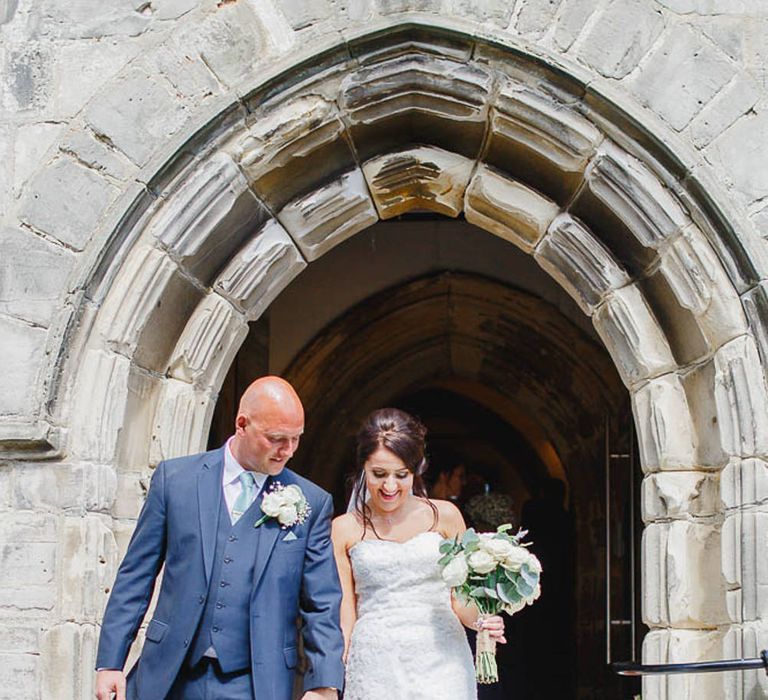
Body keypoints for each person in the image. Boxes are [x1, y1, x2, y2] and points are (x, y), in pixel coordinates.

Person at [95, 376, 345, 700]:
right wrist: (110, 663)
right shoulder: (175, 480)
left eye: (296, 439)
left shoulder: (310, 502)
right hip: (171, 674)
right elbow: (136, 575)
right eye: (276, 439)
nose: (289, 451)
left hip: (255, 681)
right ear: (242, 424)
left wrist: (323, 684)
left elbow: (321, 602)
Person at [331, 408, 506, 699]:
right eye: (379, 474)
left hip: (442, 661)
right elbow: (345, 614)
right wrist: (335, 674)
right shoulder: (344, 529)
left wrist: (482, 619)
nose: (389, 486)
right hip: (375, 663)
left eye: (401, 475)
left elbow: (460, 599)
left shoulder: (446, 517)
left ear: (416, 469)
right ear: (363, 468)